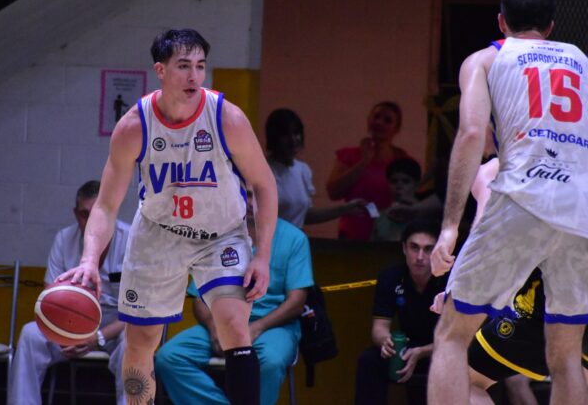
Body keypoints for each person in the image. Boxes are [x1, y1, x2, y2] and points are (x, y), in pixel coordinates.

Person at [428, 0, 588, 405]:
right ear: (551, 26)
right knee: (565, 356)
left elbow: (471, 134)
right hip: (581, 213)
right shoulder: (585, 64)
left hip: (521, 198)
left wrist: (449, 227)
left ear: (501, 22)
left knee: (451, 334)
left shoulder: (486, 59)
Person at [59, 29, 278, 405]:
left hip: (221, 235)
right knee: (140, 341)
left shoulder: (226, 118)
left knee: (233, 324)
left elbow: (263, 184)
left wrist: (263, 254)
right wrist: (89, 260)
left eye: (200, 66)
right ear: (160, 70)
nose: (194, 76)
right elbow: (106, 206)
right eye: (183, 66)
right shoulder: (134, 126)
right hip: (159, 235)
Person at [431, 157, 588, 405]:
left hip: (548, 297)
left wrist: (454, 291)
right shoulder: (576, 169)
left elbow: (483, 242)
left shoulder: (494, 170)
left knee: (462, 379)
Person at [155, 190, 313, 405]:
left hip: (271, 327)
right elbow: (200, 298)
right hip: (223, 322)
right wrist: (215, 328)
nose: (251, 202)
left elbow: (296, 302)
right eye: (246, 194)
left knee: (270, 362)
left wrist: (256, 328)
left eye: (258, 195)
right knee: (169, 358)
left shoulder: (294, 238)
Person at [8, 181, 129, 405]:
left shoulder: (132, 242)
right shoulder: (64, 239)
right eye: (84, 215)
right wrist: (72, 334)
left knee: (134, 341)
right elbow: (48, 300)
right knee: (30, 335)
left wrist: (98, 337)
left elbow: (141, 312)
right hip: (71, 322)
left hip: (118, 324)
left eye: (97, 214)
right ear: (75, 214)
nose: (91, 222)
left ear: (111, 212)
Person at [354, 219, 445, 405]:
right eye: (414, 247)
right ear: (404, 248)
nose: (420, 257)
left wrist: (423, 351)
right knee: (369, 359)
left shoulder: (450, 281)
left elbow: (462, 338)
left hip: (442, 349)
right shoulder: (391, 277)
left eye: (428, 249)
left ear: (438, 251)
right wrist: (385, 341)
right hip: (406, 348)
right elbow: (379, 327)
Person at [265, 108, 365, 228]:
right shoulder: (262, 170)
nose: (293, 140)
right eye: (285, 135)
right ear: (274, 138)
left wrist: (345, 209)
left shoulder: (303, 170)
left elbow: (306, 215)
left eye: (296, 133)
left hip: (295, 238)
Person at [326, 101, 409, 240]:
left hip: (388, 235)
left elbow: (410, 198)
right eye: (376, 117)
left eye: (387, 120)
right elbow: (333, 192)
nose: (380, 122)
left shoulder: (402, 159)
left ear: (396, 129)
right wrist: (363, 162)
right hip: (352, 234)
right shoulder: (349, 155)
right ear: (368, 120)